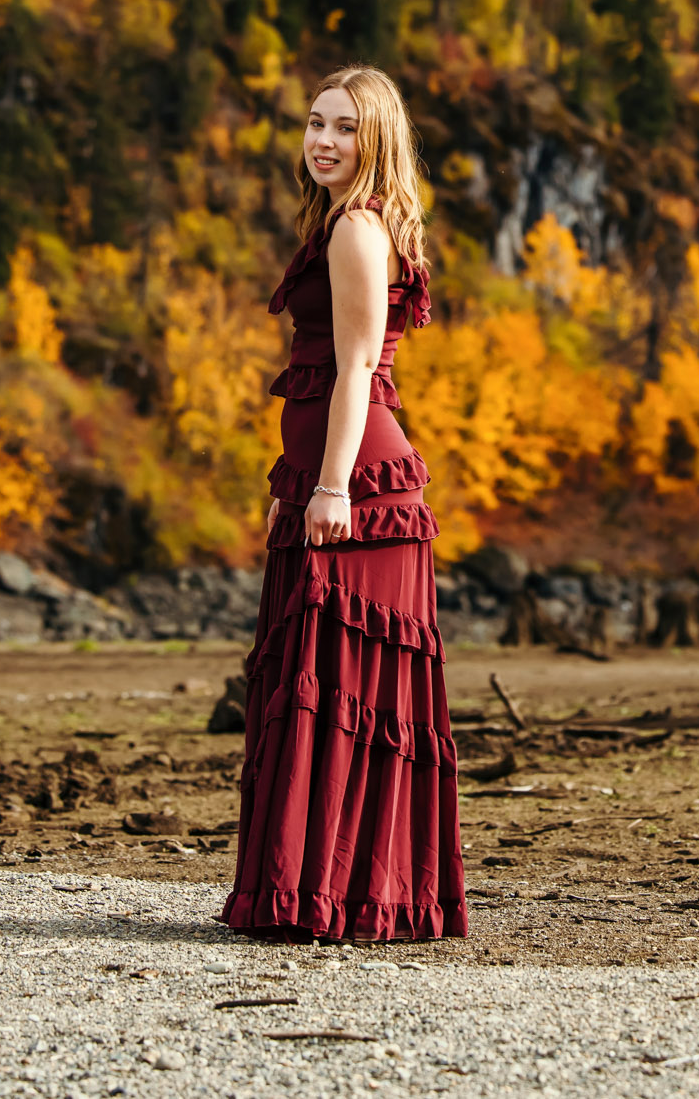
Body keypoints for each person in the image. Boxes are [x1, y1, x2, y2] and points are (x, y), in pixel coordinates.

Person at [221, 65, 468, 942]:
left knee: (341, 693)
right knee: (328, 690)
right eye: (315, 123)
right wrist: (304, 485)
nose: (323, 141)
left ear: (378, 141)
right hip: (336, 480)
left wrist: (329, 488)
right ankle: (329, 894)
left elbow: (359, 368)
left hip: (358, 487)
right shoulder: (348, 221)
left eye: (346, 128)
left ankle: (336, 896)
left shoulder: (358, 228)